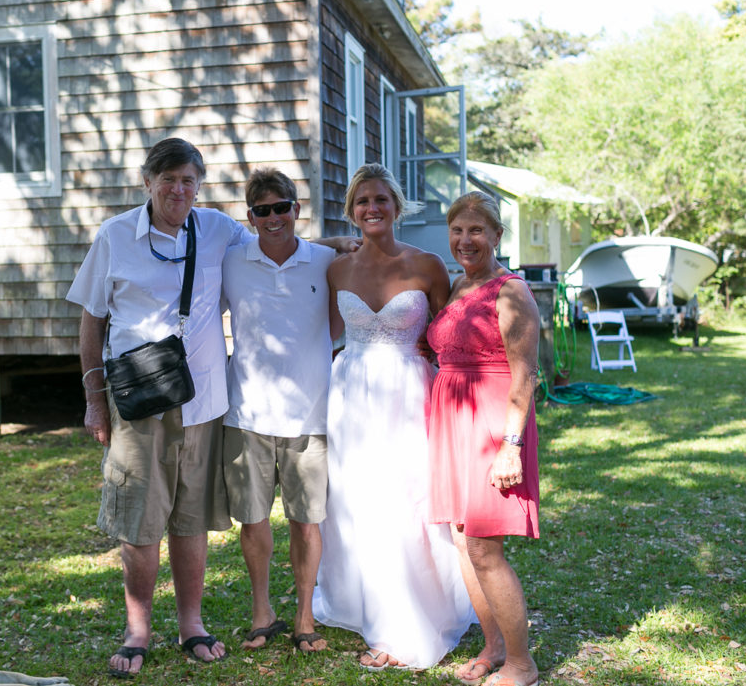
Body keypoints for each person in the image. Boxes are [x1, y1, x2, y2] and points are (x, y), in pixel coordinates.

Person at [66, 138, 253, 677]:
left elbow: (271, 249)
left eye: (188, 180)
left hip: (203, 402)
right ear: (147, 182)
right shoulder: (115, 235)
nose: (178, 189)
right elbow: (92, 322)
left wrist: (339, 246)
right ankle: (138, 628)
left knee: (191, 520)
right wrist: (93, 401)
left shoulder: (217, 229)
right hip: (139, 403)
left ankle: (191, 623)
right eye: (168, 179)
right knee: (140, 522)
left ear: (199, 184)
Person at [312, 163, 476, 671]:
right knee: (356, 501)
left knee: (407, 499)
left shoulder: (427, 265)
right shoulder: (336, 268)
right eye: (362, 201)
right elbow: (322, 324)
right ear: (351, 212)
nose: (372, 208)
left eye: (381, 199)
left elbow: (450, 337)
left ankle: (408, 617)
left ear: (397, 205)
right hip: (351, 394)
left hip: (409, 392)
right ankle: (361, 602)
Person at [426, 191, 541, 686]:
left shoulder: (510, 291)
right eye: (457, 230)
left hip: (493, 427)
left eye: (477, 231)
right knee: (461, 539)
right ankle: (494, 645)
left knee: (484, 548)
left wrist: (510, 446)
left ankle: (523, 662)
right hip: (452, 424)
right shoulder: (457, 287)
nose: (465, 240)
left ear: (497, 235)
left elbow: (525, 375)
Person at [221, 168, 336, 653]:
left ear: (296, 208)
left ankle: (305, 616)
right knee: (252, 520)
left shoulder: (326, 260)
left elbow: (340, 320)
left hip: (311, 413)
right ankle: (262, 611)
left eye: (282, 207)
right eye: (263, 210)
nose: (274, 218)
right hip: (245, 412)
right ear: (250, 217)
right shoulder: (229, 262)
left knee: (306, 521)